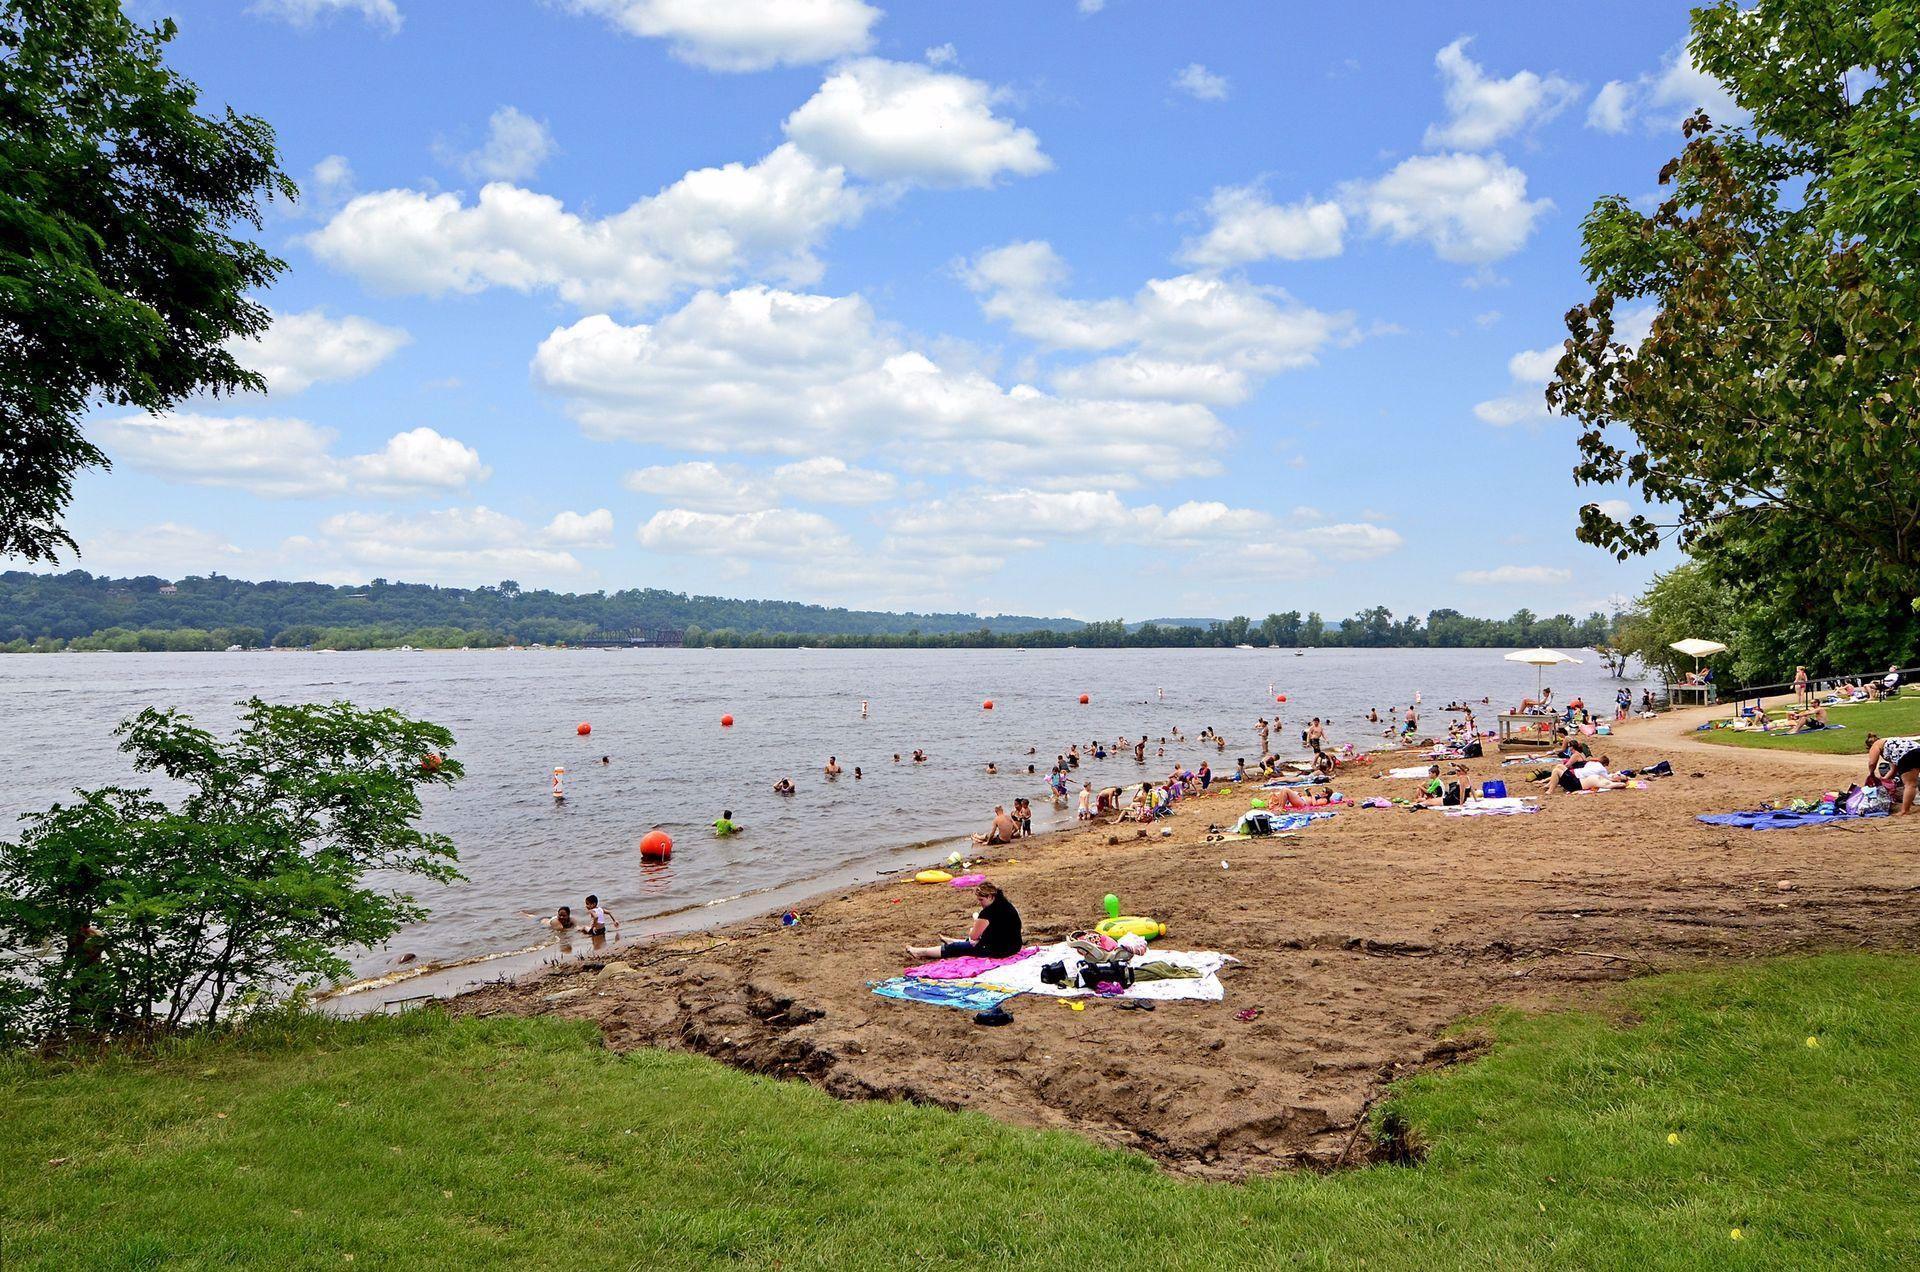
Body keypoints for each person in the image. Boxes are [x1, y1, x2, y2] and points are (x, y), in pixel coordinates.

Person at [906, 880, 1022, 960]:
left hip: (999, 950)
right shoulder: (1005, 904)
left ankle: (921, 952)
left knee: (954, 948)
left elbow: (973, 937)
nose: (980, 903)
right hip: (1014, 946)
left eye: (981, 900)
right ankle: (953, 941)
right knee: (974, 940)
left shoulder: (987, 912)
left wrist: (974, 926)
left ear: (990, 897)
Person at [1865, 735, 1920, 815]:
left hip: (1908, 757)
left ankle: (1904, 811)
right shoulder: (1890, 744)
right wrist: (1883, 780)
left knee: (1910, 785)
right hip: (1918, 750)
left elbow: (1872, 763)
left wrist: (1871, 774)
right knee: (1911, 784)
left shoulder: (1876, 745)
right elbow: (1893, 770)